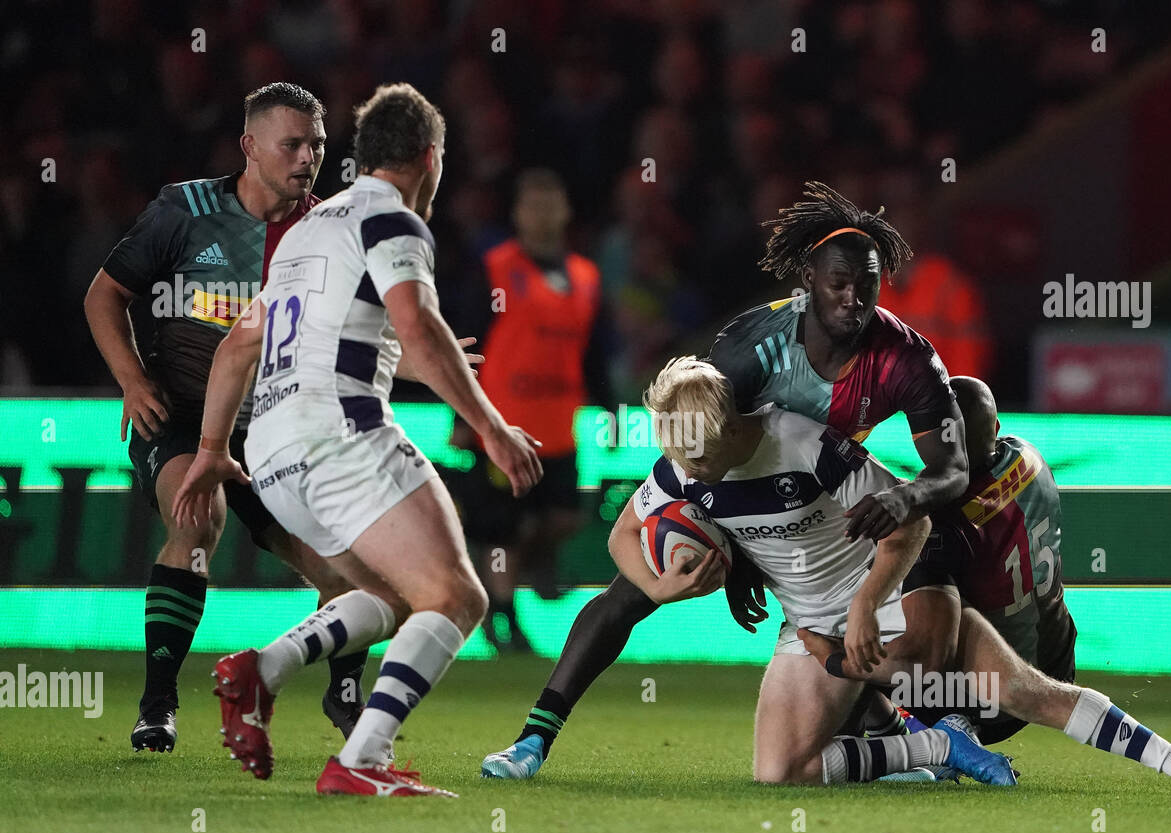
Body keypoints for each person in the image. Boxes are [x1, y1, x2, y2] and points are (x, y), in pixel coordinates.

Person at [483, 182, 972, 779]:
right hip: (743, 483)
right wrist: (740, 558)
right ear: (807, 280)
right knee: (628, 595)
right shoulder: (749, 350)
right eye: (838, 283)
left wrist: (904, 497)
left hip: (830, 499)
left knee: (862, 639)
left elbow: (953, 471)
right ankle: (534, 740)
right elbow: (704, 442)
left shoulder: (906, 359)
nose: (853, 298)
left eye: (866, 284)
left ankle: (923, 725)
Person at [170, 83, 542, 796]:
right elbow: (420, 331)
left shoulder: (306, 231)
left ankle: (261, 671)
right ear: (431, 159)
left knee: (391, 596)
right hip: (340, 434)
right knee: (459, 598)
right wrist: (491, 429)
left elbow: (237, 348)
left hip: (274, 454)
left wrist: (215, 449)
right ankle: (362, 760)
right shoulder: (392, 219)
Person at [83, 82, 365, 754]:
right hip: (179, 414)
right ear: (249, 147)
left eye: (318, 145)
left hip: (274, 429)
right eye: (293, 144)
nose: (308, 158)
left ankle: (346, 697)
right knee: (197, 518)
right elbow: (105, 295)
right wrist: (130, 379)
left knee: (347, 565)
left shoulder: (327, 230)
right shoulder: (186, 209)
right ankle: (158, 704)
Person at [799, 377, 1171, 796]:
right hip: (1056, 654)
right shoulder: (1027, 457)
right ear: (994, 427)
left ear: (925, 438)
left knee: (842, 638)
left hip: (982, 695)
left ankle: (935, 741)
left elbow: (923, 657)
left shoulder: (935, 531)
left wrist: (834, 658)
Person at [609, 358, 1014, 786]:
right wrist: (658, 589)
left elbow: (913, 523)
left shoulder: (804, 444)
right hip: (808, 625)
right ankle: (938, 746)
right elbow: (623, 534)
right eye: (678, 458)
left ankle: (924, 727)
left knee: (1012, 690)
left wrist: (866, 604)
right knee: (777, 773)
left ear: (731, 428)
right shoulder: (686, 460)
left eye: (698, 460)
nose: (688, 471)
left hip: (876, 601)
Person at [449, 168, 613, 651]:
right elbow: (467, 342)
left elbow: (594, 351)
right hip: (502, 424)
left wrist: (608, 407)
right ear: (517, 214)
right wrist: (463, 415)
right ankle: (503, 619)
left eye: (550, 203)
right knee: (505, 525)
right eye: (532, 204)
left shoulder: (586, 276)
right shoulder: (495, 268)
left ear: (566, 212)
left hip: (559, 423)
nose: (542, 214)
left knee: (565, 516)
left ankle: (533, 567)